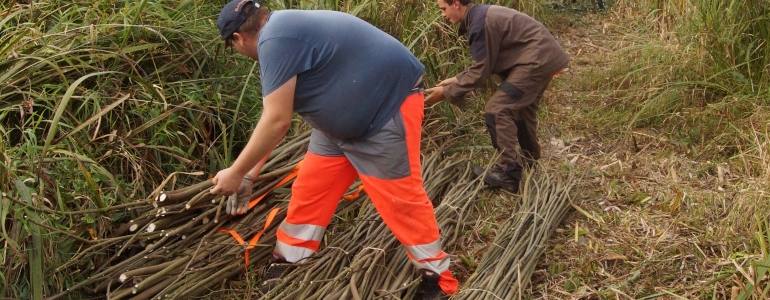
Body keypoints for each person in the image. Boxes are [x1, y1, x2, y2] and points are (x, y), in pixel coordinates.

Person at [209, 0, 459, 298]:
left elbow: (277, 121)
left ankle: (438, 279)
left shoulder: (276, 40)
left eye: (232, 46)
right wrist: (250, 174)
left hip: (385, 110)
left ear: (238, 38)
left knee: (400, 199)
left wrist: (236, 173)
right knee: (312, 188)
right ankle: (291, 256)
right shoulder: (281, 31)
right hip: (339, 128)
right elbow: (274, 116)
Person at [425, 0, 570, 193]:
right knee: (521, 112)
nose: (443, 15)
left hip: (534, 62)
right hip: (544, 58)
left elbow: (480, 72)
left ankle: (509, 173)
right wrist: (456, 80)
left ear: (457, 4)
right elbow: (485, 63)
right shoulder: (480, 17)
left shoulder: (479, 23)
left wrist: (446, 92)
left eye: (444, 9)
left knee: (497, 109)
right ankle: (529, 162)